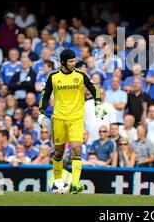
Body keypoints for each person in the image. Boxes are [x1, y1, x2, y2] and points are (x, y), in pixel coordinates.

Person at [38, 48, 106, 194]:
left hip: (76, 118)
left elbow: (94, 88)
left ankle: (75, 184)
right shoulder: (54, 76)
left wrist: (98, 103)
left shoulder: (81, 75)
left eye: (74, 60)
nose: (73, 63)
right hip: (59, 118)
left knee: (76, 149)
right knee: (58, 151)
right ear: (62, 62)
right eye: (70, 61)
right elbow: (45, 94)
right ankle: (57, 182)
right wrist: (41, 112)